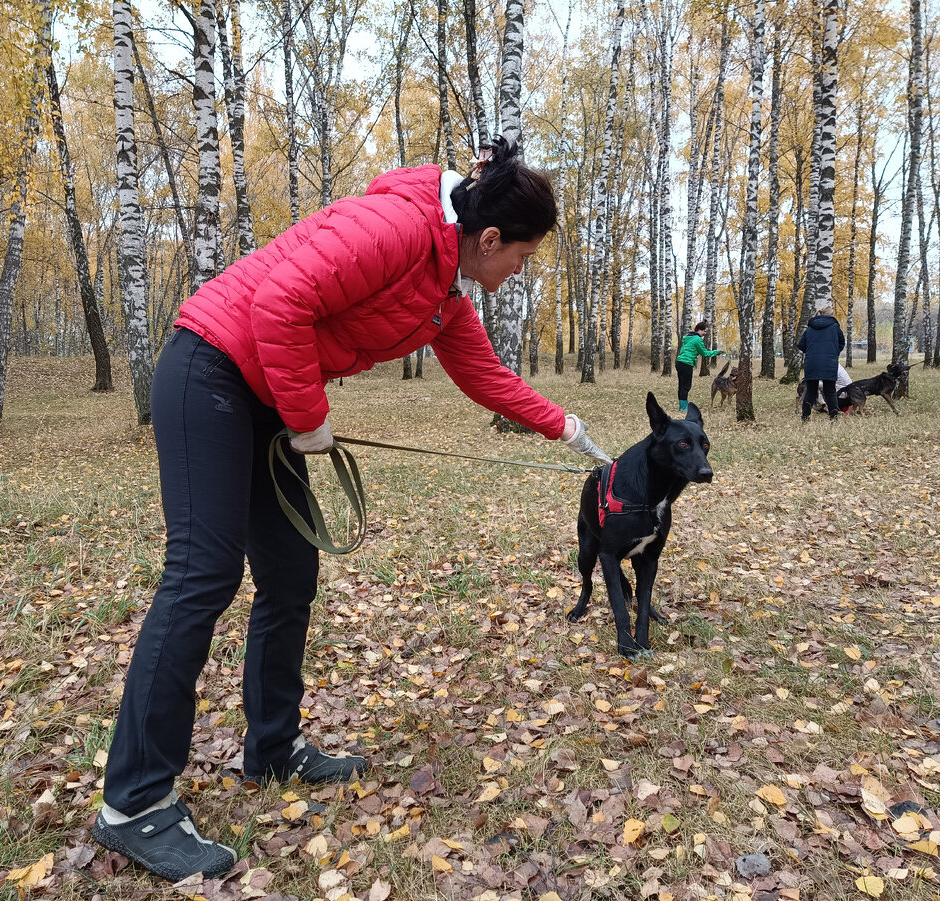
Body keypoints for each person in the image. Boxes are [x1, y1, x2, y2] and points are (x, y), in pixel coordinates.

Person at [91, 137, 612, 883]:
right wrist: (307, 415)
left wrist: (572, 432)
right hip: (208, 364)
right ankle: (133, 802)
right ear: (490, 238)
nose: (517, 272)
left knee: (290, 570)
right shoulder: (396, 228)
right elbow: (279, 301)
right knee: (203, 570)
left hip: (264, 389)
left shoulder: (444, 296)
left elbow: (489, 380)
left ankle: (273, 748)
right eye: (521, 258)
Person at [798, 303, 845, 421]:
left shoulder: (810, 327)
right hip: (829, 362)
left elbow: (801, 345)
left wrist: (811, 352)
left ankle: (805, 417)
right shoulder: (835, 326)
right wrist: (833, 353)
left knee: (811, 392)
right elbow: (841, 343)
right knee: (830, 392)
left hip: (812, 363)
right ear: (831, 314)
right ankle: (833, 417)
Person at [674, 321, 725, 412]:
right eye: (704, 331)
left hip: (679, 362)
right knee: (686, 386)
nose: (705, 334)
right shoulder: (698, 340)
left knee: (681, 385)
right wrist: (717, 352)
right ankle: (683, 407)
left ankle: (682, 404)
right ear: (699, 330)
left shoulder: (688, 337)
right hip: (687, 363)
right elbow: (704, 353)